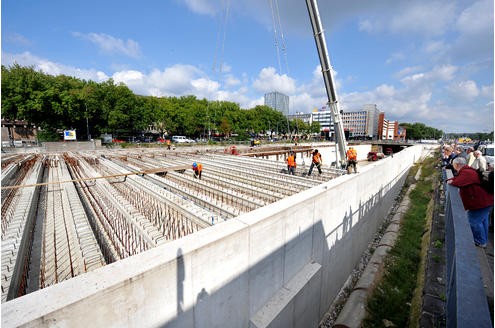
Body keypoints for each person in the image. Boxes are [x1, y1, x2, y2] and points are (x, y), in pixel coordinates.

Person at [447, 157, 493, 248]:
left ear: (456, 165)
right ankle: (483, 240)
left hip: (481, 202)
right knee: (482, 221)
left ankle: (480, 241)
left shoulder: (466, 172)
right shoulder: (467, 170)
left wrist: (449, 181)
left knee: (473, 221)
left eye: (453, 164)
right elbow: (459, 178)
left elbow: (457, 182)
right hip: (485, 200)